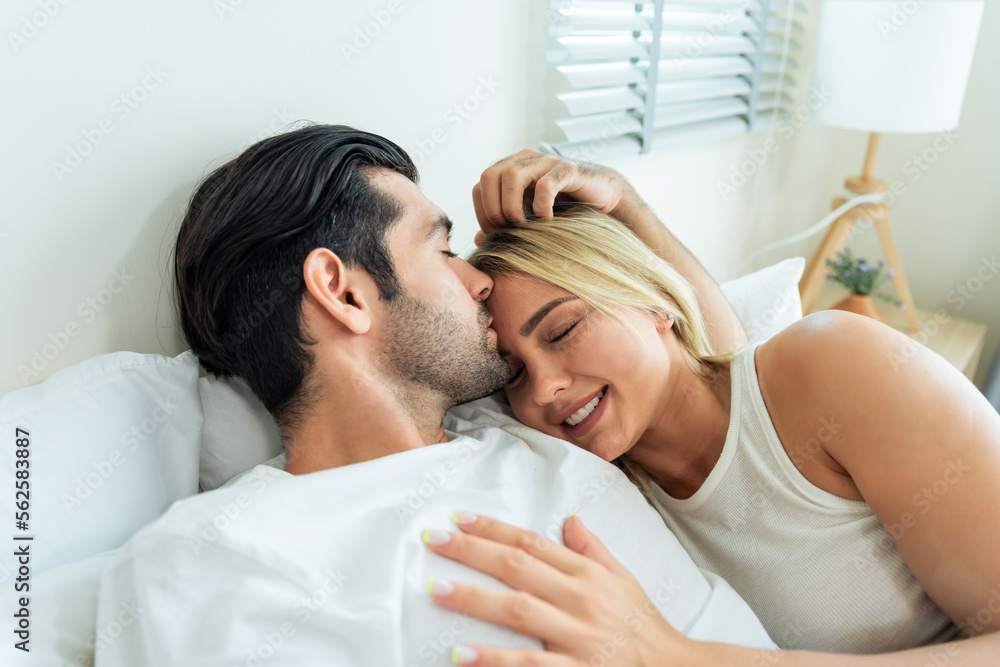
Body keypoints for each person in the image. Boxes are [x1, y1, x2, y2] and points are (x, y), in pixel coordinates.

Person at [91, 124, 777, 665]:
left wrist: (626, 202)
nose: (481, 282)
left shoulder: (553, 437)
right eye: (443, 248)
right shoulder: (198, 561)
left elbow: (726, 387)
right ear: (345, 292)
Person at [417, 151, 1000, 665]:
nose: (543, 388)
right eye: (513, 372)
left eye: (564, 329)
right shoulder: (611, 488)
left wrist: (682, 659)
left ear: (654, 301)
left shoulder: (831, 365)